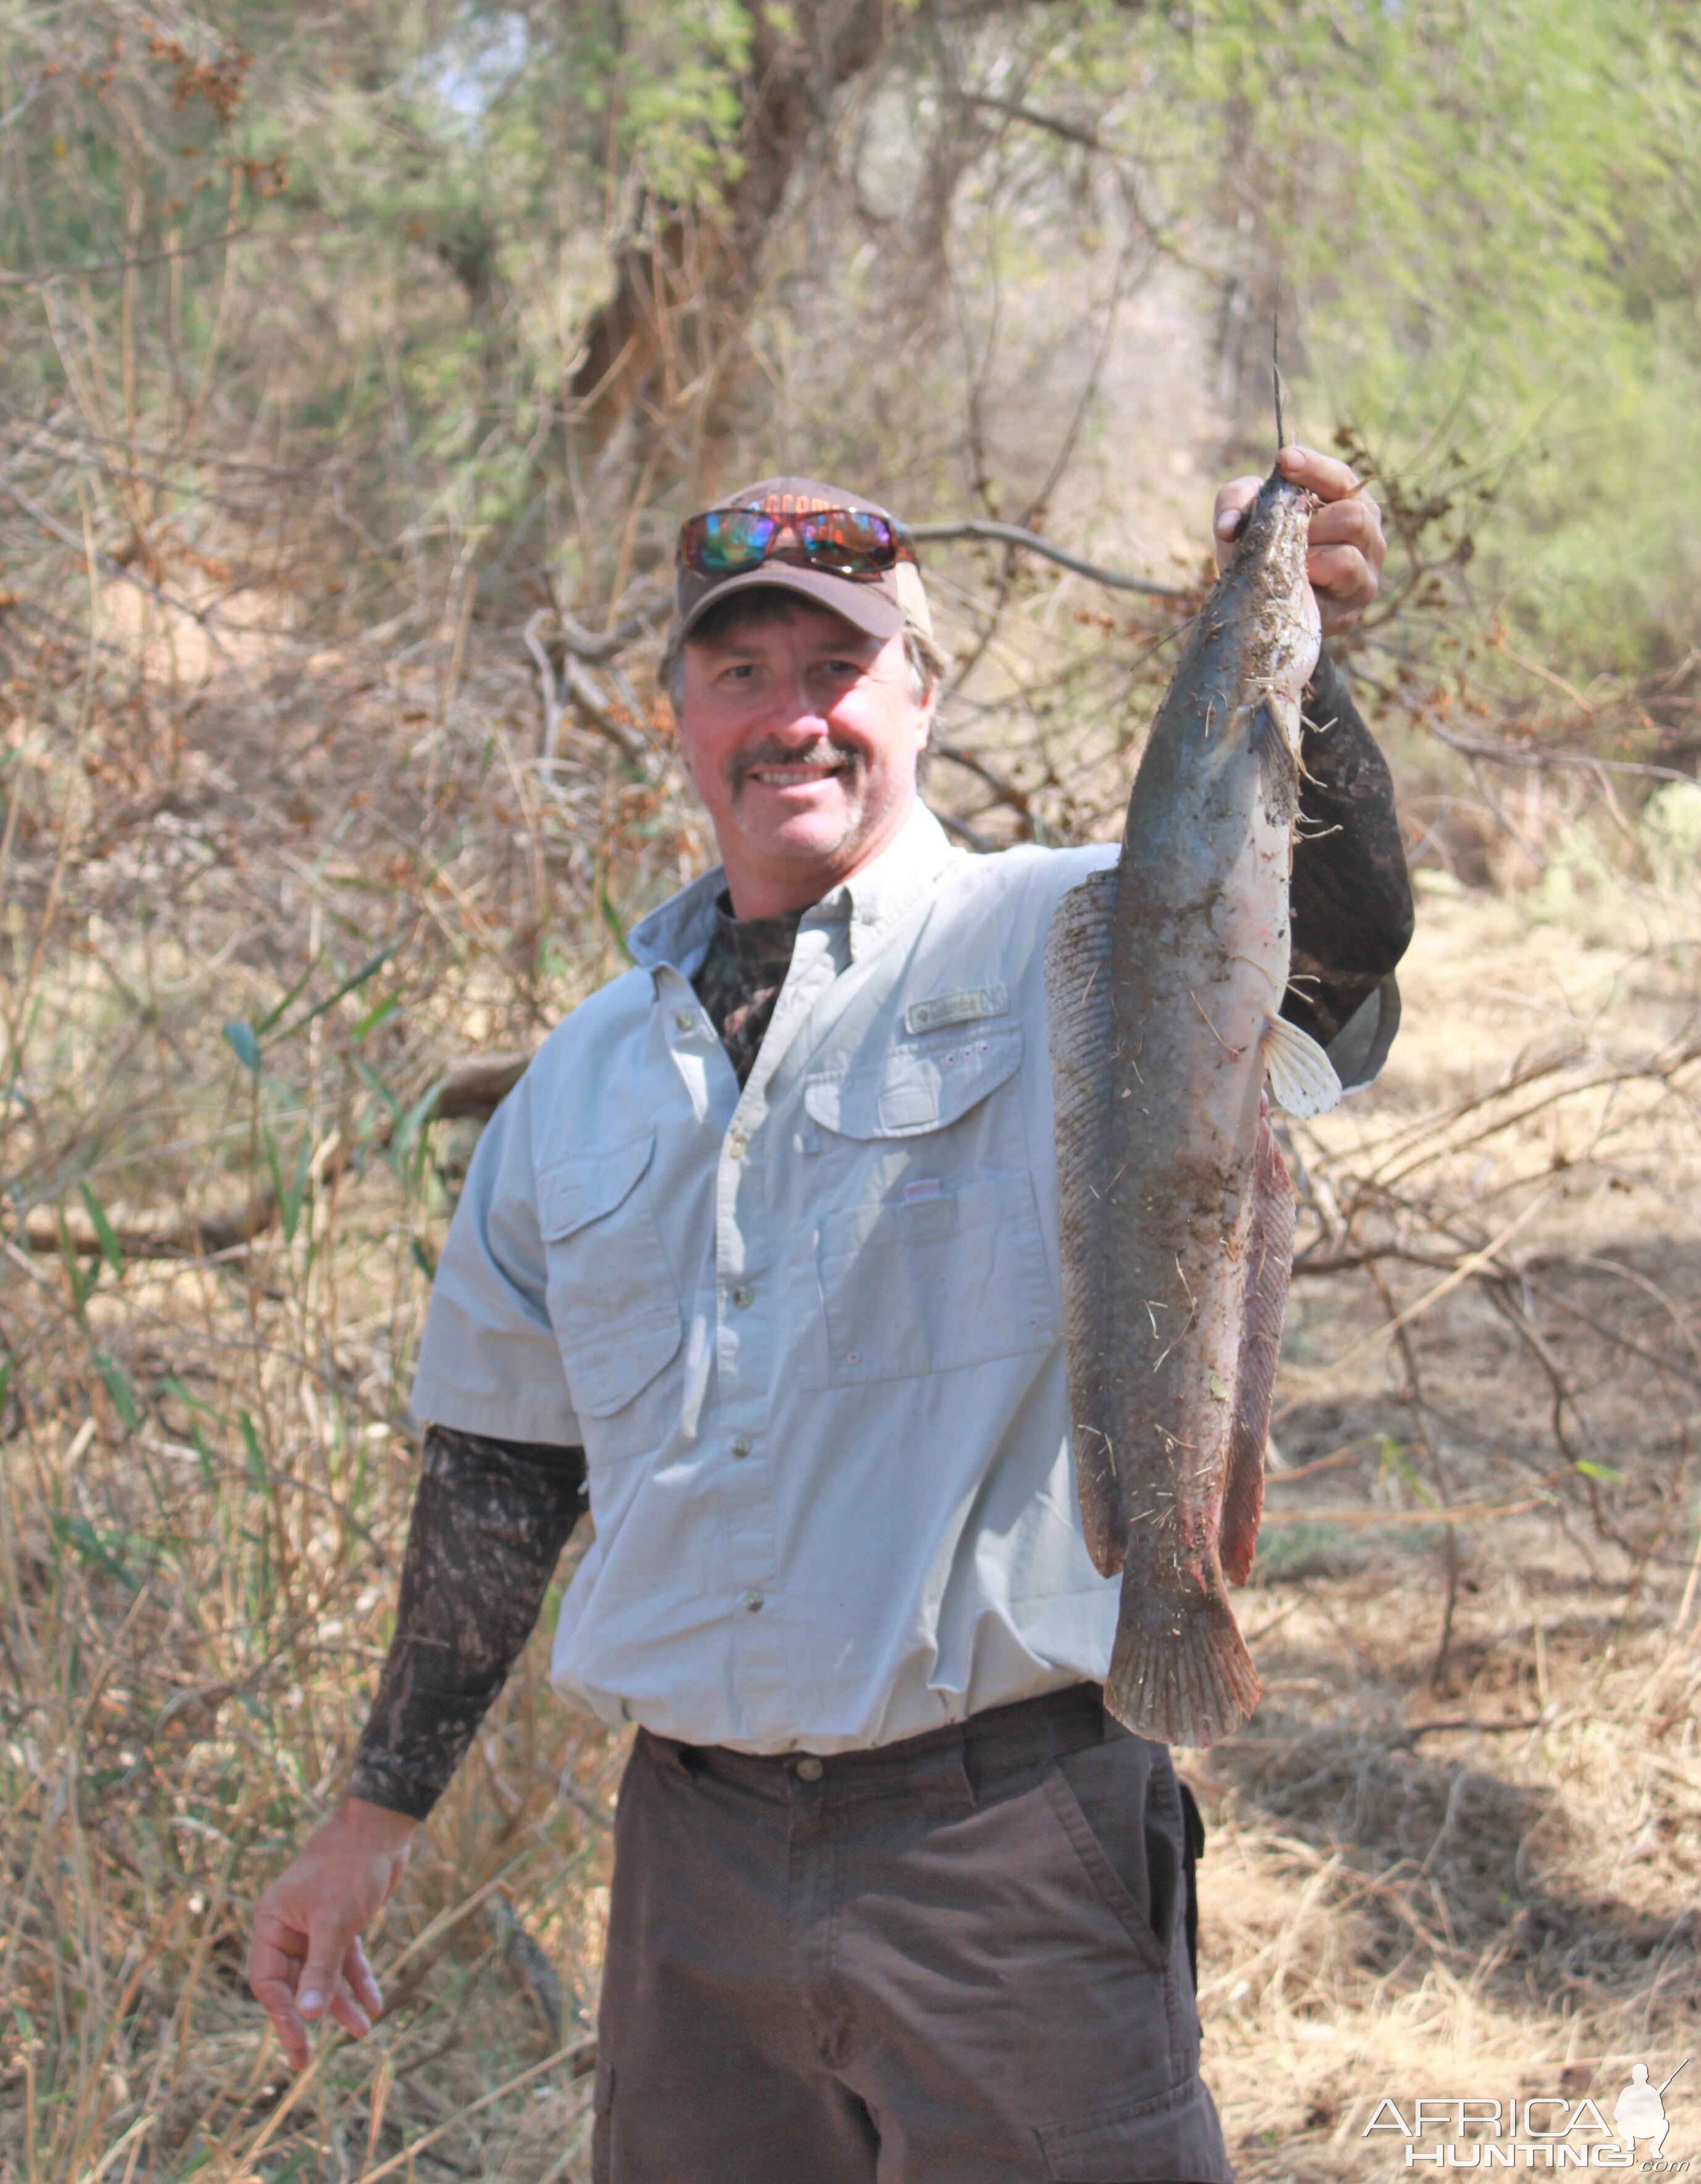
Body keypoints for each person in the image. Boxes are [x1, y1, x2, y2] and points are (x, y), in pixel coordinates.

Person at [247, 453, 1411, 2183]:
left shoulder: (1066, 933)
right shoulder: (573, 1087)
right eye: (741, 673)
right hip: (691, 1875)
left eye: (837, 669)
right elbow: (498, 1476)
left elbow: (1321, 942)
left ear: (920, 697)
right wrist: (373, 1815)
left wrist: (1300, 667)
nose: (791, 719)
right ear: (678, 717)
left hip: (1007, 1845)